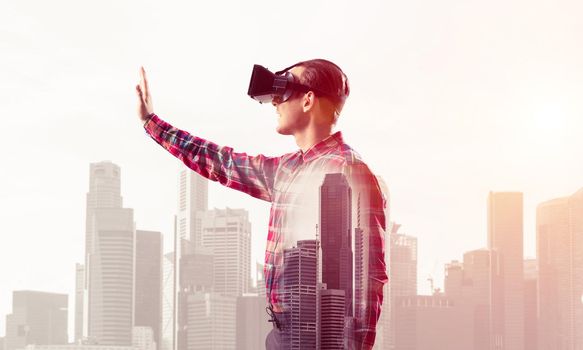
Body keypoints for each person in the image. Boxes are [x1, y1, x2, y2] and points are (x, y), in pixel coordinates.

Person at [135, 59, 388, 350]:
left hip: (321, 337)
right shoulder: (286, 170)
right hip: (283, 332)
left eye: (284, 90)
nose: (275, 101)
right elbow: (220, 161)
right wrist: (151, 122)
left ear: (308, 101)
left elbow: (370, 276)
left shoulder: (350, 171)